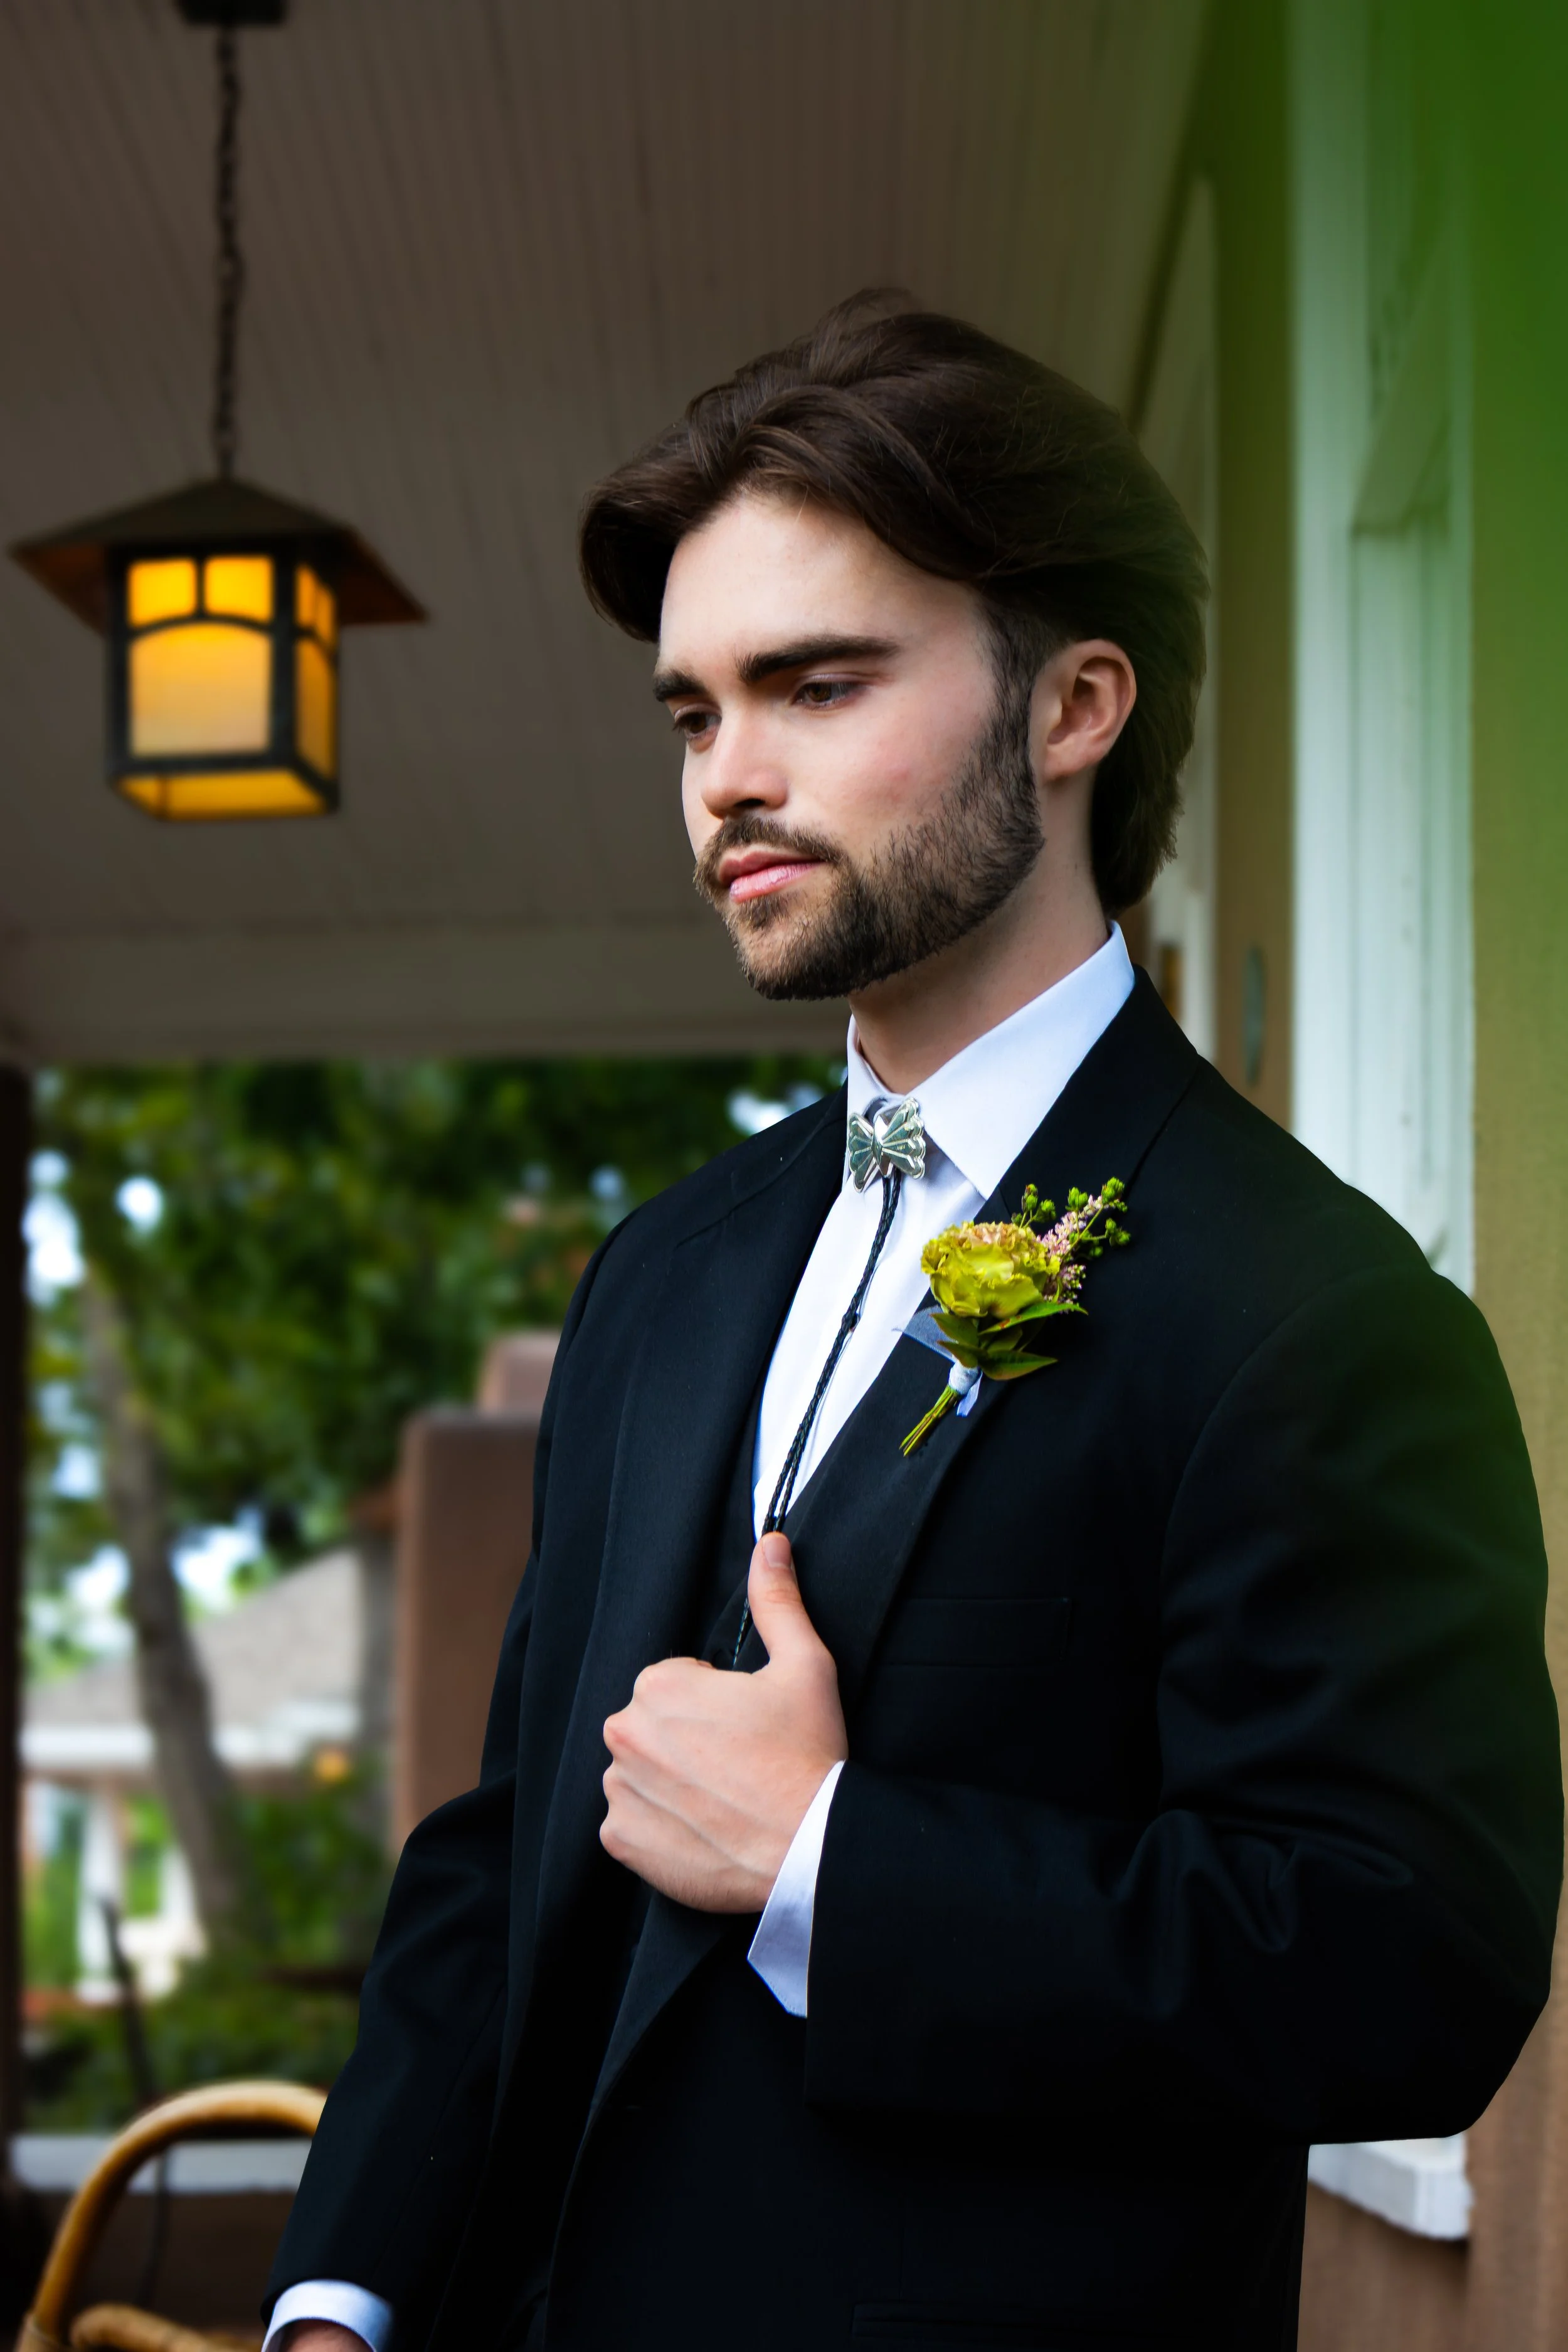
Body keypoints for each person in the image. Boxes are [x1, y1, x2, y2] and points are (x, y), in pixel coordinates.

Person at [263, 299, 1560, 2352]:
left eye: (815, 682)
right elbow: (512, 1841)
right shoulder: (664, 1267)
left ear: (1074, 707)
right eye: (691, 713)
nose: (729, 781)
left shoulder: (1309, 1307)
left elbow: (1410, 1971)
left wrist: (828, 1862)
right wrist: (341, 2298)